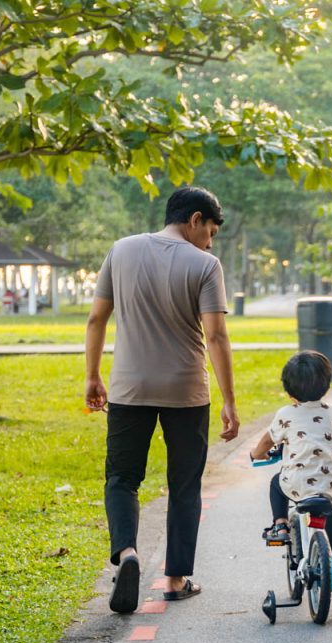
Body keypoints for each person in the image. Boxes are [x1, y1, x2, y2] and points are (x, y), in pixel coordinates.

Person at [84, 186, 240, 614]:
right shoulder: (206, 265)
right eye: (210, 230)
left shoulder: (121, 250)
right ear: (194, 220)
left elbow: (97, 317)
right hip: (187, 391)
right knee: (184, 485)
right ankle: (174, 578)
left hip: (129, 388)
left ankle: (128, 554)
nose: (210, 242)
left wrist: (93, 375)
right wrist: (229, 399)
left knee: (122, 478)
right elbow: (216, 335)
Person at [250, 351, 332, 587]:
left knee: (276, 483)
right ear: (327, 386)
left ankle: (279, 524)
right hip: (330, 487)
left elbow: (267, 442)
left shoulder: (286, 414)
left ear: (289, 392)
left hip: (296, 484)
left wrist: (256, 455)